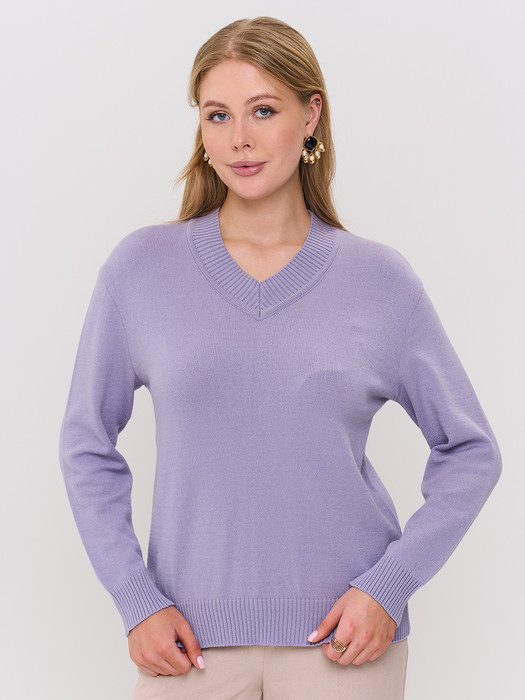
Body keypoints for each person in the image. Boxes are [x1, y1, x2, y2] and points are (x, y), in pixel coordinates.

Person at [59, 16, 502, 700]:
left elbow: (471, 451)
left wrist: (388, 587)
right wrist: (134, 598)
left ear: (310, 115)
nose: (239, 137)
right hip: (188, 651)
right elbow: (86, 443)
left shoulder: (379, 281)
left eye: (263, 110)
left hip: (345, 649)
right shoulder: (141, 270)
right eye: (218, 115)